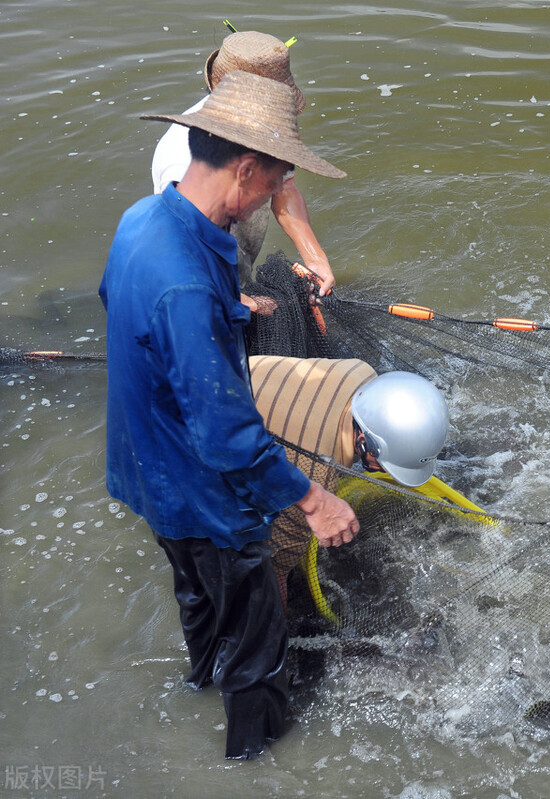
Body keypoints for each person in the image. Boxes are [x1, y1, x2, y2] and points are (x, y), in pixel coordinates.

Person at [101, 71, 353, 760]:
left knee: (202, 605)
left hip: (146, 474)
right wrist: (314, 499)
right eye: (272, 184)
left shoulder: (143, 221)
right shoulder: (185, 281)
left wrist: (232, 310)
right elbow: (227, 435)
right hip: (205, 493)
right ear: (244, 169)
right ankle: (256, 759)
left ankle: (200, 679)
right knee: (260, 650)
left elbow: (124, 308)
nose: (271, 199)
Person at [248, 356, 449, 607]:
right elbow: (273, 572)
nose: (385, 471)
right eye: (385, 464)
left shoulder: (362, 373)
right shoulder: (313, 474)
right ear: (365, 441)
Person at [151, 30, 337, 296]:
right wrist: (243, 303)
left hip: (234, 261)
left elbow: (285, 188)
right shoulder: (183, 159)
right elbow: (180, 251)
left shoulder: (271, 129)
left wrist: (315, 258)